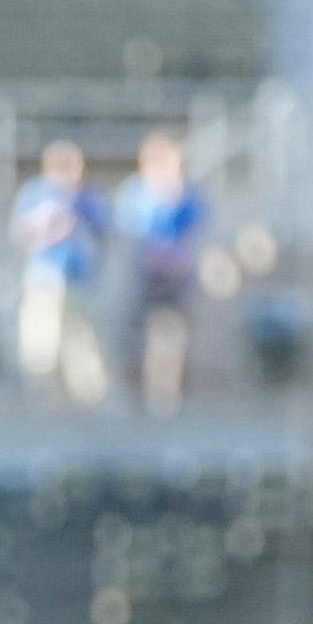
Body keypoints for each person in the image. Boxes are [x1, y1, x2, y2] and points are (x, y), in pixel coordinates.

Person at [112, 129, 209, 414]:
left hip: (176, 276)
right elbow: (128, 230)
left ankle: (165, 395)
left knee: (171, 333)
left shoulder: (188, 194)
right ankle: (133, 393)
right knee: (135, 333)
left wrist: (175, 197)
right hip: (144, 274)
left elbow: (197, 229)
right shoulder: (135, 193)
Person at [9, 140, 107, 405]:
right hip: (45, 275)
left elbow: (104, 232)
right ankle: (40, 398)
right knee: (41, 341)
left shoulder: (87, 198)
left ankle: (88, 399)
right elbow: (20, 234)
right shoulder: (35, 194)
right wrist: (47, 228)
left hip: (79, 276)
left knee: (81, 340)